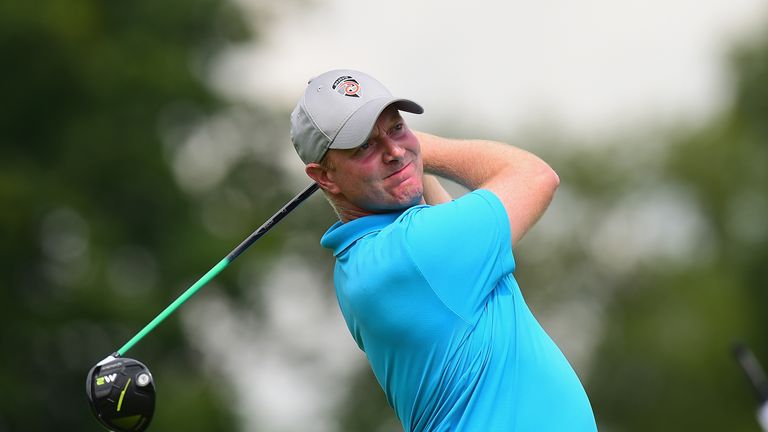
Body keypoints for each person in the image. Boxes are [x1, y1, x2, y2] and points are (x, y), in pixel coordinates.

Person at [289, 69, 597, 431]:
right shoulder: (412, 251)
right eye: (364, 146)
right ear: (324, 177)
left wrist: (404, 156)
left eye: (396, 127)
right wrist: (419, 150)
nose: (393, 150)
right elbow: (535, 176)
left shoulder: (365, 260)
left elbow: (434, 208)